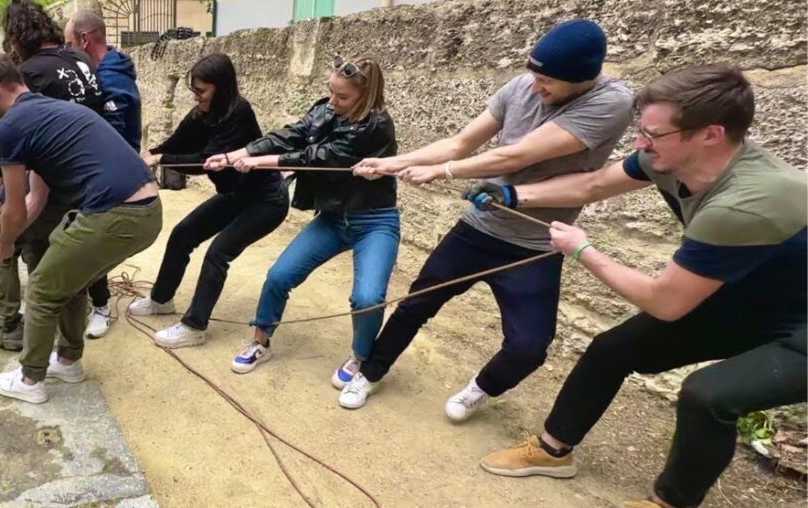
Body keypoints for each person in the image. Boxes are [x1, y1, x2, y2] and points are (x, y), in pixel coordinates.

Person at [475, 64, 806, 508]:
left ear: (710, 134)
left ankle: (669, 502)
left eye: (654, 134)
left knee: (709, 396)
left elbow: (665, 302)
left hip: (801, 322)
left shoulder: (746, 202)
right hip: (754, 294)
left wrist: (580, 249)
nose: (640, 143)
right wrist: (513, 195)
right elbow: (592, 184)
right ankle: (553, 451)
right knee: (613, 349)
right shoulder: (665, 159)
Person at [340, 19, 633, 416]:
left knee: (530, 346)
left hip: (535, 243)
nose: (534, 86)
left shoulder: (610, 102)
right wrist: (391, 163)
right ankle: (371, 373)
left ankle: (480, 388)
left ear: (582, 78)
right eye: (533, 74)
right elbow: (461, 143)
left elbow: (518, 155)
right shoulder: (522, 85)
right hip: (480, 228)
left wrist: (442, 173)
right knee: (415, 304)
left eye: (547, 80)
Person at [0, 51, 162, 404]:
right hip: (149, 211)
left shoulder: (10, 127)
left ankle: (29, 380)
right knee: (71, 282)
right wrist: (6, 240)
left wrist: (6, 243)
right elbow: (35, 200)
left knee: (42, 286)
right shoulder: (51, 110)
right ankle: (69, 361)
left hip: (116, 212)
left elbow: (12, 208)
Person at [203, 55, 397, 387]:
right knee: (279, 276)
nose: (333, 102)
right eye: (331, 92)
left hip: (374, 222)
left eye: (343, 97)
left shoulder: (375, 126)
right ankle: (260, 342)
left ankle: (361, 358)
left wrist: (262, 162)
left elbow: (318, 157)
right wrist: (241, 153)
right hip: (334, 219)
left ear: (366, 96)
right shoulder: (326, 109)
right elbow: (295, 133)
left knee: (367, 298)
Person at [127, 53, 288, 347]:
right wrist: (149, 157)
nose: (196, 97)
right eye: (194, 91)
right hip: (234, 195)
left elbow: (206, 161)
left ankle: (195, 326)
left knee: (218, 252)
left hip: (266, 200)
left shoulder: (239, 113)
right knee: (182, 234)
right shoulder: (203, 113)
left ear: (221, 88)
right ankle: (161, 300)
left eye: (201, 91)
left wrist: (163, 159)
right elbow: (177, 143)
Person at [0, 0, 109, 350]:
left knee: (2, 238)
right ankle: (61, 338)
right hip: (91, 177)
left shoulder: (30, 74)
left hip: (50, 180)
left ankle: (11, 325)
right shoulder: (81, 61)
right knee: (61, 259)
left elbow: (14, 138)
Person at [64, 10, 144, 339]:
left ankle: (101, 306)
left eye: (70, 44)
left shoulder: (111, 79)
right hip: (103, 169)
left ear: (84, 39)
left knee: (92, 239)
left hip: (110, 173)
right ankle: (92, 299)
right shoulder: (103, 70)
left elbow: (112, 134)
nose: (67, 51)